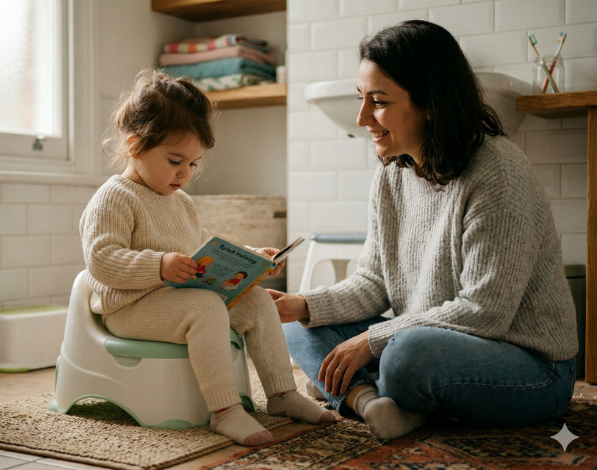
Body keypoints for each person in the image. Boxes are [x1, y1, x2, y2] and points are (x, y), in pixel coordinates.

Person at [269, 20, 578, 440]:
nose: (362, 118)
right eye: (362, 99)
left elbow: (484, 312)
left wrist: (372, 342)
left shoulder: (498, 172)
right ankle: (372, 402)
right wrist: (301, 304)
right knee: (294, 326)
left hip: (531, 366)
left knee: (406, 355)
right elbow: (373, 282)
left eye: (377, 101)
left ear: (431, 101)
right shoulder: (392, 174)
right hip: (431, 345)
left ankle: (350, 387)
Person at [80, 70, 335, 447]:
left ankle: (282, 395)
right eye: (174, 160)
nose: (185, 173)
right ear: (135, 145)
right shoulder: (115, 197)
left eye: (193, 164)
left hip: (179, 301)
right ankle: (225, 411)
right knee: (205, 307)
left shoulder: (180, 201)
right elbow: (101, 261)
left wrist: (250, 259)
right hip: (130, 307)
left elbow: (202, 248)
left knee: (258, 301)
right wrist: (160, 265)